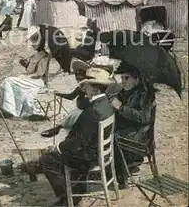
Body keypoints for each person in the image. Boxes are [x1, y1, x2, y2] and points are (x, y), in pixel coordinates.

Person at [39, 68, 115, 206]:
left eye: (86, 86)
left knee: (47, 159)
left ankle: (67, 199)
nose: (84, 89)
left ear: (95, 90)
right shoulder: (107, 105)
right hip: (101, 153)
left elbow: (78, 143)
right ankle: (78, 190)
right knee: (65, 152)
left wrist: (57, 147)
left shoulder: (92, 111)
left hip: (89, 159)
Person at [41, 60, 122, 138]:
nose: (82, 86)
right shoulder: (85, 88)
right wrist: (57, 93)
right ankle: (60, 127)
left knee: (75, 116)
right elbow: (71, 96)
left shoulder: (106, 89)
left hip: (93, 116)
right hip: (89, 111)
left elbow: (103, 105)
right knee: (74, 115)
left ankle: (61, 129)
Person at [112, 61, 156, 187]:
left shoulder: (145, 93)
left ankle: (121, 176)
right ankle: (114, 170)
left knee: (109, 136)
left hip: (139, 137)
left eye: (127, 78)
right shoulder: (128, 91)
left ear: (137, 79)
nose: (123, 81)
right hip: (131, 132)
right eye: (122, 78)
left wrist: (121, 108)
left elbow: (144, 117)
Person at [0, 26, 50, 117]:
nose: (32, 45)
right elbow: (30, 69)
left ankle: (11, 109)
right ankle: (11, 109)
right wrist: (25, 65)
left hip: (37, 81)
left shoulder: (44, 56)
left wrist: (26, 77)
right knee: (9, 82)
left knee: (8, 81)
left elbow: (39, 73)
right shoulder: (35, 55)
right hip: (31, 79)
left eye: (34, 43)